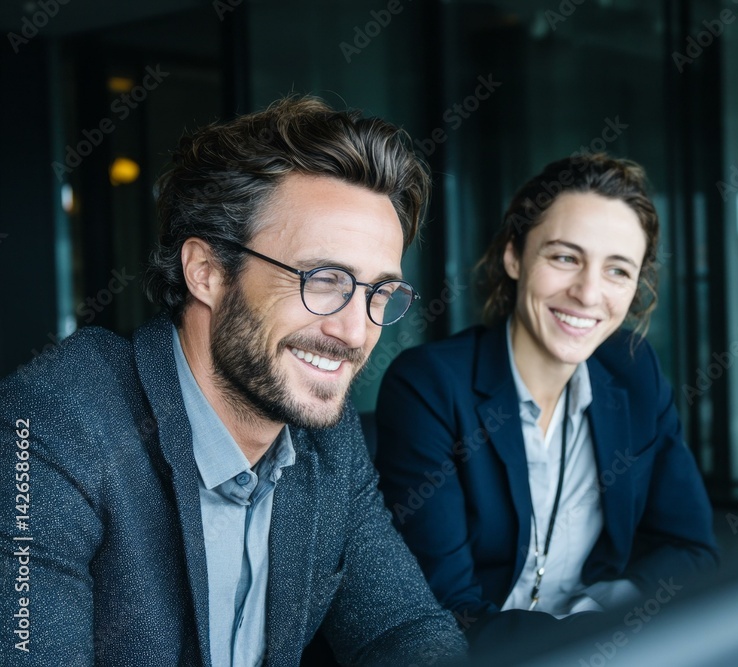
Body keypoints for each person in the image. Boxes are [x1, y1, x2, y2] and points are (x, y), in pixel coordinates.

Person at [0, 97, 465, 666]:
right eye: (324, 279)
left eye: (379, 293)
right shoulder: (55, 419)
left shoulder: (326, 438)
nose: (353, 330)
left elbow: (403, 630)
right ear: (208, 272)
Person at [374, 154, 719, 647]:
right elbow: (444, 612)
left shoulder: (635, 372)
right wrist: (590, 634)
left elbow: (691, 549)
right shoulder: (429, 387)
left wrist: (601, 614)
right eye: (565, 257)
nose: (587, 293)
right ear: (514, 255)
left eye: (618, 271)